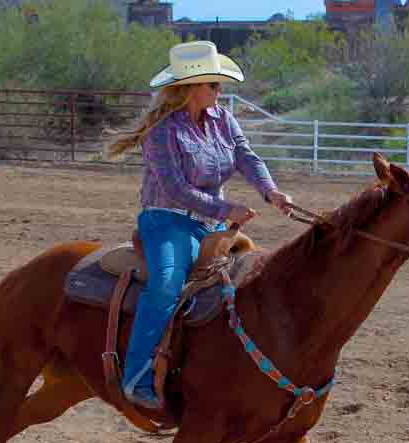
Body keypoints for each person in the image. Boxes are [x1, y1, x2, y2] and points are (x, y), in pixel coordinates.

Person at [105, 41, 292, 410]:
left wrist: (271, 192)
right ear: (190, 87)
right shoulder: (161, 131)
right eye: (213, 84)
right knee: (167, 283)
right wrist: (227, 208)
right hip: (166, 221)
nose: (219, 91)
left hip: (210, 225)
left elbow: (246, 157)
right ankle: (136, 376)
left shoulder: (223, 119)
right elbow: (175, 189)